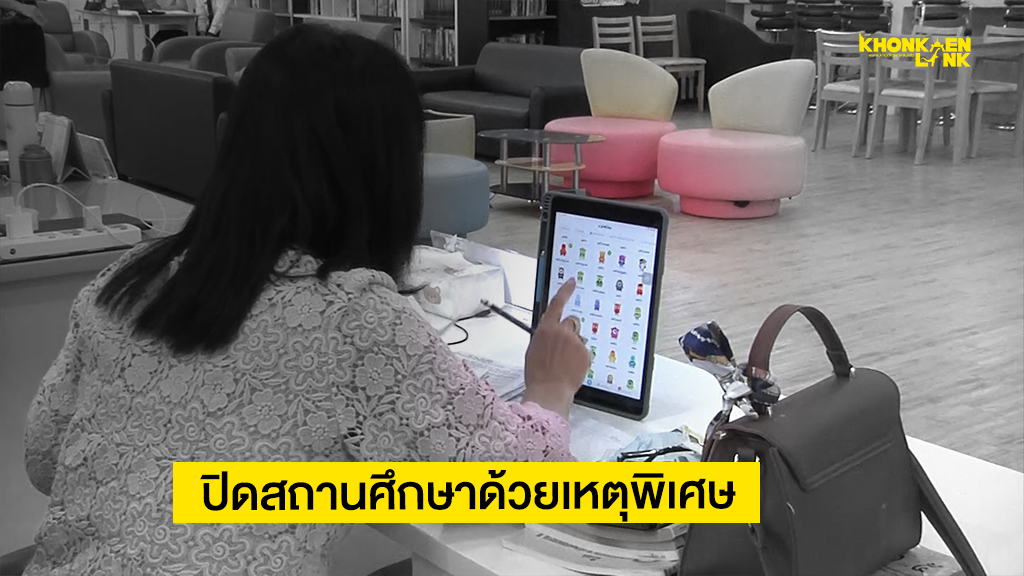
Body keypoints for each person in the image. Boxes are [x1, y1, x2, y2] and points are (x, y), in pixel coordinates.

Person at [20, 24, 590, 576]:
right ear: (387, 173)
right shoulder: (351, 318)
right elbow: (516, 483)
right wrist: (550, 388)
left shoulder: (123, 283)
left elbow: (45, 456)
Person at [1, 0, 48, 141]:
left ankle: (27, 140)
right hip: (5, 35)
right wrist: (21, 8)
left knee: (31, 90)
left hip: (28, 33)